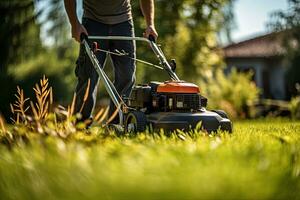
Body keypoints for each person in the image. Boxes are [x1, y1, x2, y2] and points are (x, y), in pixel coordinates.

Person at [64, 0, 158, 125]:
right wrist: (75, 24)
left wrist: (150, 24)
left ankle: (117, 125)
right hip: (93, 23)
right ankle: (80, 125)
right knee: (88, 77)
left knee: (126, 77)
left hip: (123, 23)